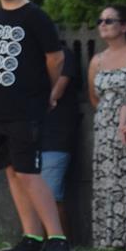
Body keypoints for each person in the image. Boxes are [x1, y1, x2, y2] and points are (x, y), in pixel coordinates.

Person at [0, 0, 72, 251]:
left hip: (26, 108)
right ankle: (31, 235)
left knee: (29, 171)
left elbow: (55, 57)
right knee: (11, 171)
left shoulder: (35, 16)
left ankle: (57, 237)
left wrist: (45, 90)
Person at [88, 4, 126, 249]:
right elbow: (94, 97)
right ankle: (113, 239)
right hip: (106, 132)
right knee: (111, 185)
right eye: (100, 20)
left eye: (109, 20)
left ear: (125, 26)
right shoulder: (98, 60)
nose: (103, 24)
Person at [39, 43, 82, 236]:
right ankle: (43, 241)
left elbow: (56, 92)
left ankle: (60, 240)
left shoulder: (64, 54)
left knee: (51, 194)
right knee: (39, 197)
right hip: (32, 137)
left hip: (56, 136)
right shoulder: (29, 54)